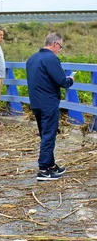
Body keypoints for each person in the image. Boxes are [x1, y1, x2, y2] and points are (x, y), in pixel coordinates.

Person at [27, 33, 74, 181]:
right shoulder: (51, 58)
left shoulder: (32, 59)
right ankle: (43, 170)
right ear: (54, 44)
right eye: (60, 46)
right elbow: (61, 81)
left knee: (45, 134)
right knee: (49, 135)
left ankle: (51, 165)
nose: (60, 49)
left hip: (35, 102)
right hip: (48, 103)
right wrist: (70, 79)